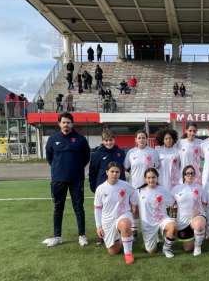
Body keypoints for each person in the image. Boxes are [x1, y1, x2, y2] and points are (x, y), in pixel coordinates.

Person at [43, 112, 90, 247]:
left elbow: (86, 157)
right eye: (63, 122)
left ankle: (82, 235)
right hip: (58, 179)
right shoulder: (53, 139)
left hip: (76, 179)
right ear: (59, 124)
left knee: (78, 207)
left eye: (68, 122)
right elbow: (50, 158)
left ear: (72, 124)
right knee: (58, 208)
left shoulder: (80, 139)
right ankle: (57, 236)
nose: (66, 125)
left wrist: (75, 168)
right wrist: (59, 169)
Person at [93, 162, 138, 264]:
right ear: (107, 172)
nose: (114, 174)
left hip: (123, 215)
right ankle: (123, 237)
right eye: (112, 171)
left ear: (120, 173)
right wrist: (98, 226)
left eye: (117, 172)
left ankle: (128, 253)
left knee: (125, 225)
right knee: (113, 251)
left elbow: (134, 193)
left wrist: (134, 204)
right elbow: (98, 208)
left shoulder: (125, 185)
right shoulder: (100, 189)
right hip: (108, 220)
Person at [137, 168, 177, 258]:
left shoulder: (163, 190)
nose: (151, 180)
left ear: (157, 178)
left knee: (172, 226)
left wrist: (174, 219)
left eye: (153, 177)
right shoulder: (139, 191)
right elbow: (133, 206)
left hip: (162, 219)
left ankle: (166, 248)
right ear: (145, 179)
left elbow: (173, 203)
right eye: (149, 178)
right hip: (147, 224)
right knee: (151, 251)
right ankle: (156, 238)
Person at [171, 165, 209, 256]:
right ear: (183, 175)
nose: (190, 175)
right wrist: (173, 220)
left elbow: (205, 202)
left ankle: (198, 246)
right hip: (183, 222)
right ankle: (196, 235)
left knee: (199, 225)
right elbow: (172, 206)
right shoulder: (176, 189)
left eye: (192, 173)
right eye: (187, 173)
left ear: (195, 175)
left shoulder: (199, 188)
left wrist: (200, 213)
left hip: (196, 218)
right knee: (187, 248)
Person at [89, 129, 126, 193]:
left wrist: (124, 183)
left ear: (114, 140)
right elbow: (92, 172)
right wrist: (93, 187)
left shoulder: (120, 152)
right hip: (102, 187)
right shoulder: (97, 154)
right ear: (103, 141)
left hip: (119, 187)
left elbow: (122, 170)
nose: (109, 143)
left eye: (110, 140)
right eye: (106, 140)